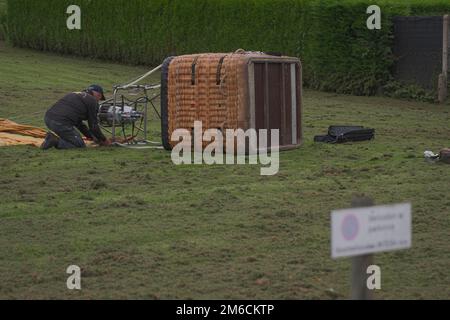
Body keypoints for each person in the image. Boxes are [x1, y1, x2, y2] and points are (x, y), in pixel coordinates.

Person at [41, 85, 111, 150]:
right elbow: (93, 126)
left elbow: (79, 124)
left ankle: (51, 139)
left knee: (71, 138)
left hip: (48, 118)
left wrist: (91, 137)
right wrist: (104, 140)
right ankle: (55, 141)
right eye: (100, 97)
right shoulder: (92, 101)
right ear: (98, 94)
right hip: (60, 123)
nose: (98, 100)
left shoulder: (76, 94)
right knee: (79, 145)